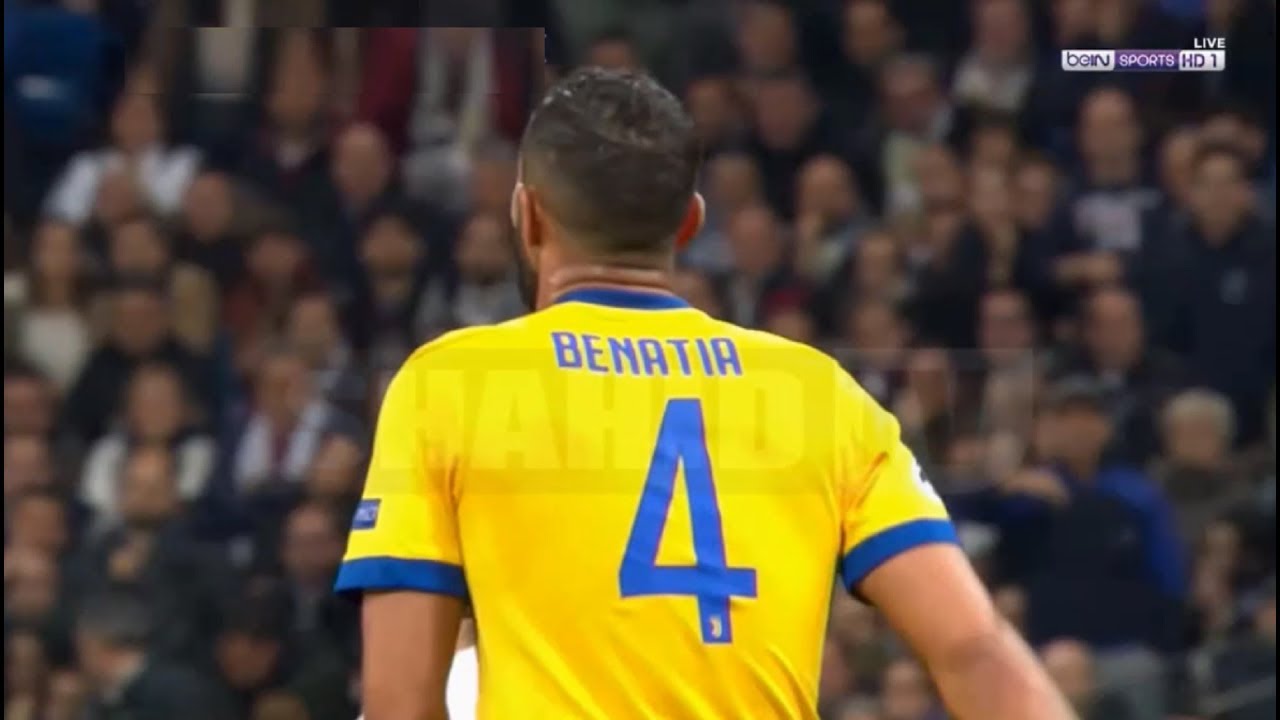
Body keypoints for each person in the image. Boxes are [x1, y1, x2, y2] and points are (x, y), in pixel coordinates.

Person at [336, 67, 1072, 720]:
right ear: (690, 222)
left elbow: (400, 704)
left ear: (527, 215)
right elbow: (974, 649)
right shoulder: (818, 392)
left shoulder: (453, 382)